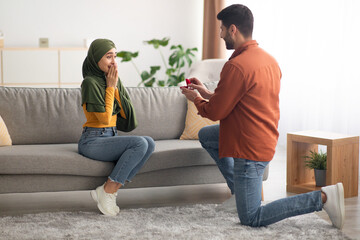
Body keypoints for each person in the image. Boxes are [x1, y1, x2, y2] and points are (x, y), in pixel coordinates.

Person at [181, 4, 345, 229]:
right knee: (208, 135)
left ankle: (323, 198)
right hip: (263, 137)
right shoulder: (268, 60)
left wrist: (195, 100)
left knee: (251, 217)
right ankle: (239, 192)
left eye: (221, 29)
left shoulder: (236, 66)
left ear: (233, 29)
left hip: (249, 150)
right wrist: (205, 93)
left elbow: (216, 112)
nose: (219, 34)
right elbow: (241, 100)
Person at [78, 39, 155, 216]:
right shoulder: (90, 83)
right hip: (92, 140)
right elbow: (104, 119)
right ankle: (109, 191)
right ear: (96, 59)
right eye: (108, 56)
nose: (113, 61)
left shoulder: (112, 80)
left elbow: (129, 119)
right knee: (139, 144)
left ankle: (107, 189)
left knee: (149, 142)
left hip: (110, 136)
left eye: (115, 56)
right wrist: (111, 88)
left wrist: (115, 86)